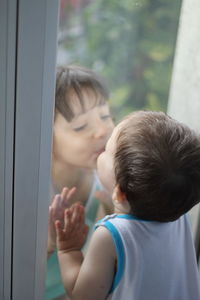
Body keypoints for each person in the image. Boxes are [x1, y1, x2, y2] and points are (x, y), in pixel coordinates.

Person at [52, 111, 200, 300]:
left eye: (106, 150)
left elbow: (83, 296)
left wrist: (69, 249)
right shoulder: (177, 214)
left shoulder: (110, 235)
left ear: (120, 193)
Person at [46, 65, 114, 300]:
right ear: (44, 135)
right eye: (81, 127)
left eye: (105, 116)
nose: (102, 130)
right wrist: (49, 244)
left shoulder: (102, 177)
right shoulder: (31, 188)